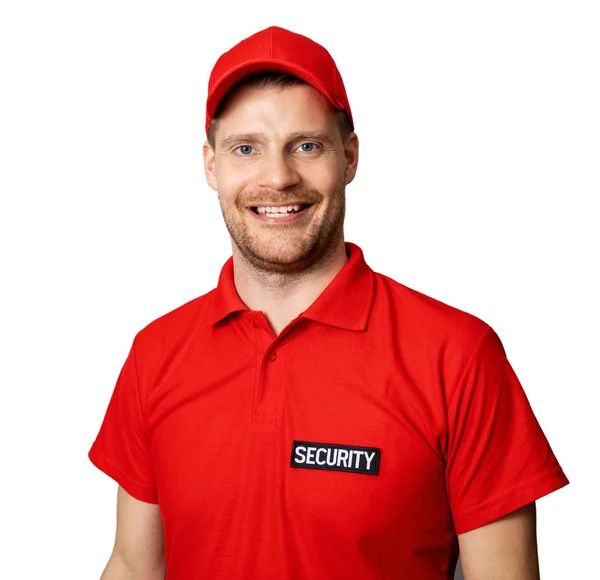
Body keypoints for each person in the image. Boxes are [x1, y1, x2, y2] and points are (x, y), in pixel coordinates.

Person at [89, 25, 569, 580]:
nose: (278, 177)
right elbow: (133, 566)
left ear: (349, 157)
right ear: (211, 166)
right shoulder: (156, 353)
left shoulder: (457, 355)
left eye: (307, 146)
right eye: (246, 149)